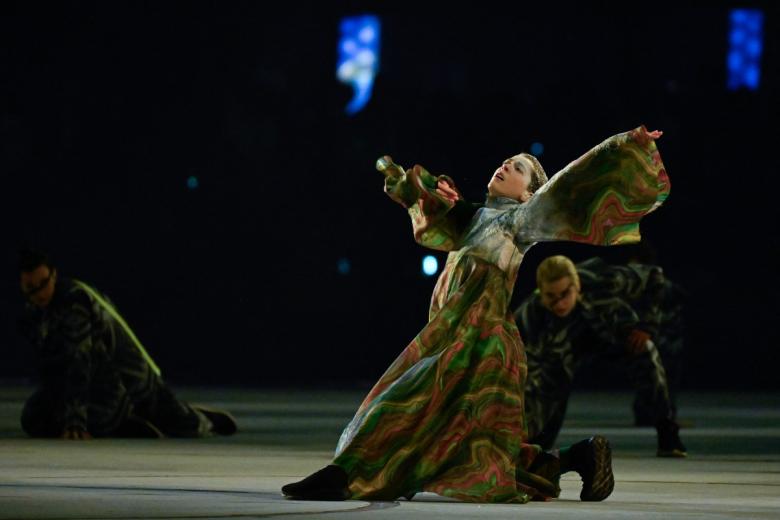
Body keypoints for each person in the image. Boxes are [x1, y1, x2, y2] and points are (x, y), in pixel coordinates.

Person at [282, 125, 669, 503]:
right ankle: (580, 455)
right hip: (458, 338)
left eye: (517, 168)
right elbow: (437, 211)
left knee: (404, 401)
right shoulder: (474, 219)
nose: (505, 166)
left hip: (480, 342)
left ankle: (347, 474)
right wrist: (410, 184)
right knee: (474, 448)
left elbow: (568, 183)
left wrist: (622, 145)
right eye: (506, 161)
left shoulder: (521, 221)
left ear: (529, 194)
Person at [17, 249, 237, 439]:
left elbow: (79, 359)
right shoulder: (34, 312)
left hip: (129, 378)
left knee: (183, 425)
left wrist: (75, 421)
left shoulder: (74, 303)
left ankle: (200, 419)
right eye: (31, 288)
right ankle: (121, 421)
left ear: (54, 275)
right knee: (33, 419)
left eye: (43, 283)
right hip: (96, 384)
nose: (39, 293)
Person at [514, 255, 687, 457]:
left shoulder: (604, 280)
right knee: (543, 387)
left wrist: (647, 325)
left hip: (613, 335)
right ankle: (535, 441)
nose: (559, 303)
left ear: (576, 285)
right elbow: (522, 366)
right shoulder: (530, 314)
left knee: (646, 351)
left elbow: (654, 276)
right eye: (551, 297)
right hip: (565, 353)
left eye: (564, 294)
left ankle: (667, 430)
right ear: (540, 293)